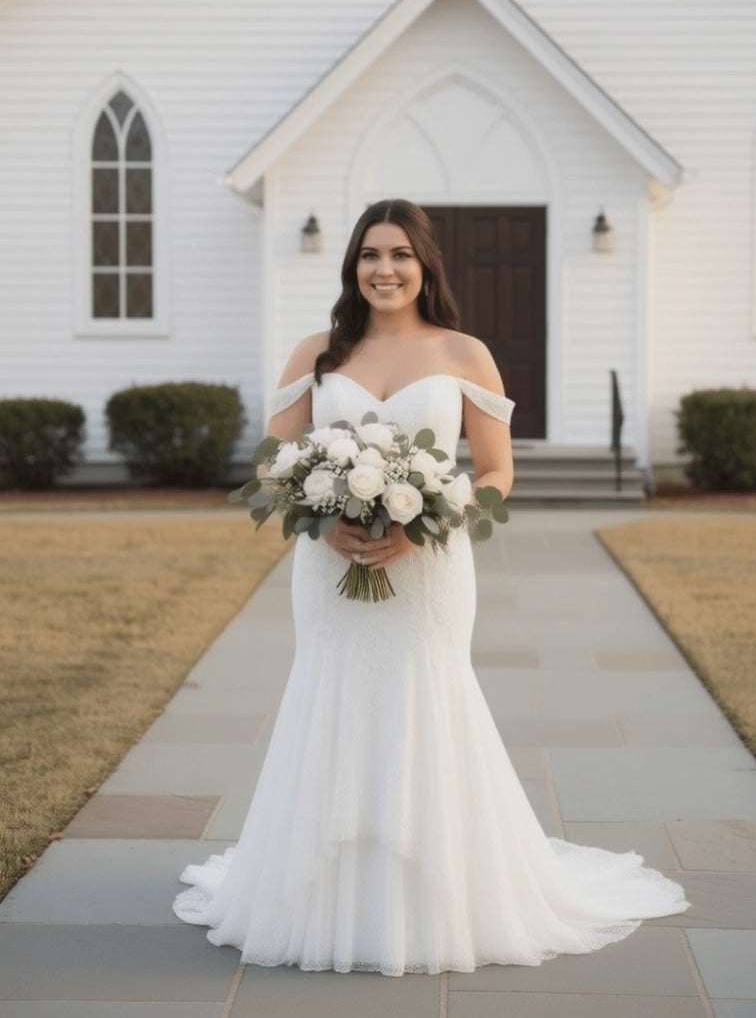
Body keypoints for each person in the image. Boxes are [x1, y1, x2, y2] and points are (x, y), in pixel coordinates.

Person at [172, 199, 688, 975]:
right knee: (331, 696)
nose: (385, 268)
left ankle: (436, 891)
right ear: (353, 265)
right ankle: (319, 895)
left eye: (401, 254)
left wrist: (424, 527)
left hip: (431, 569)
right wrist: (323, 523)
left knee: (424, 699)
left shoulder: (464, 353)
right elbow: (271, 465)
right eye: (370, 254)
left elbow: (496, 471)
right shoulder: (318, 352)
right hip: (328, 563)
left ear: (425, 265)